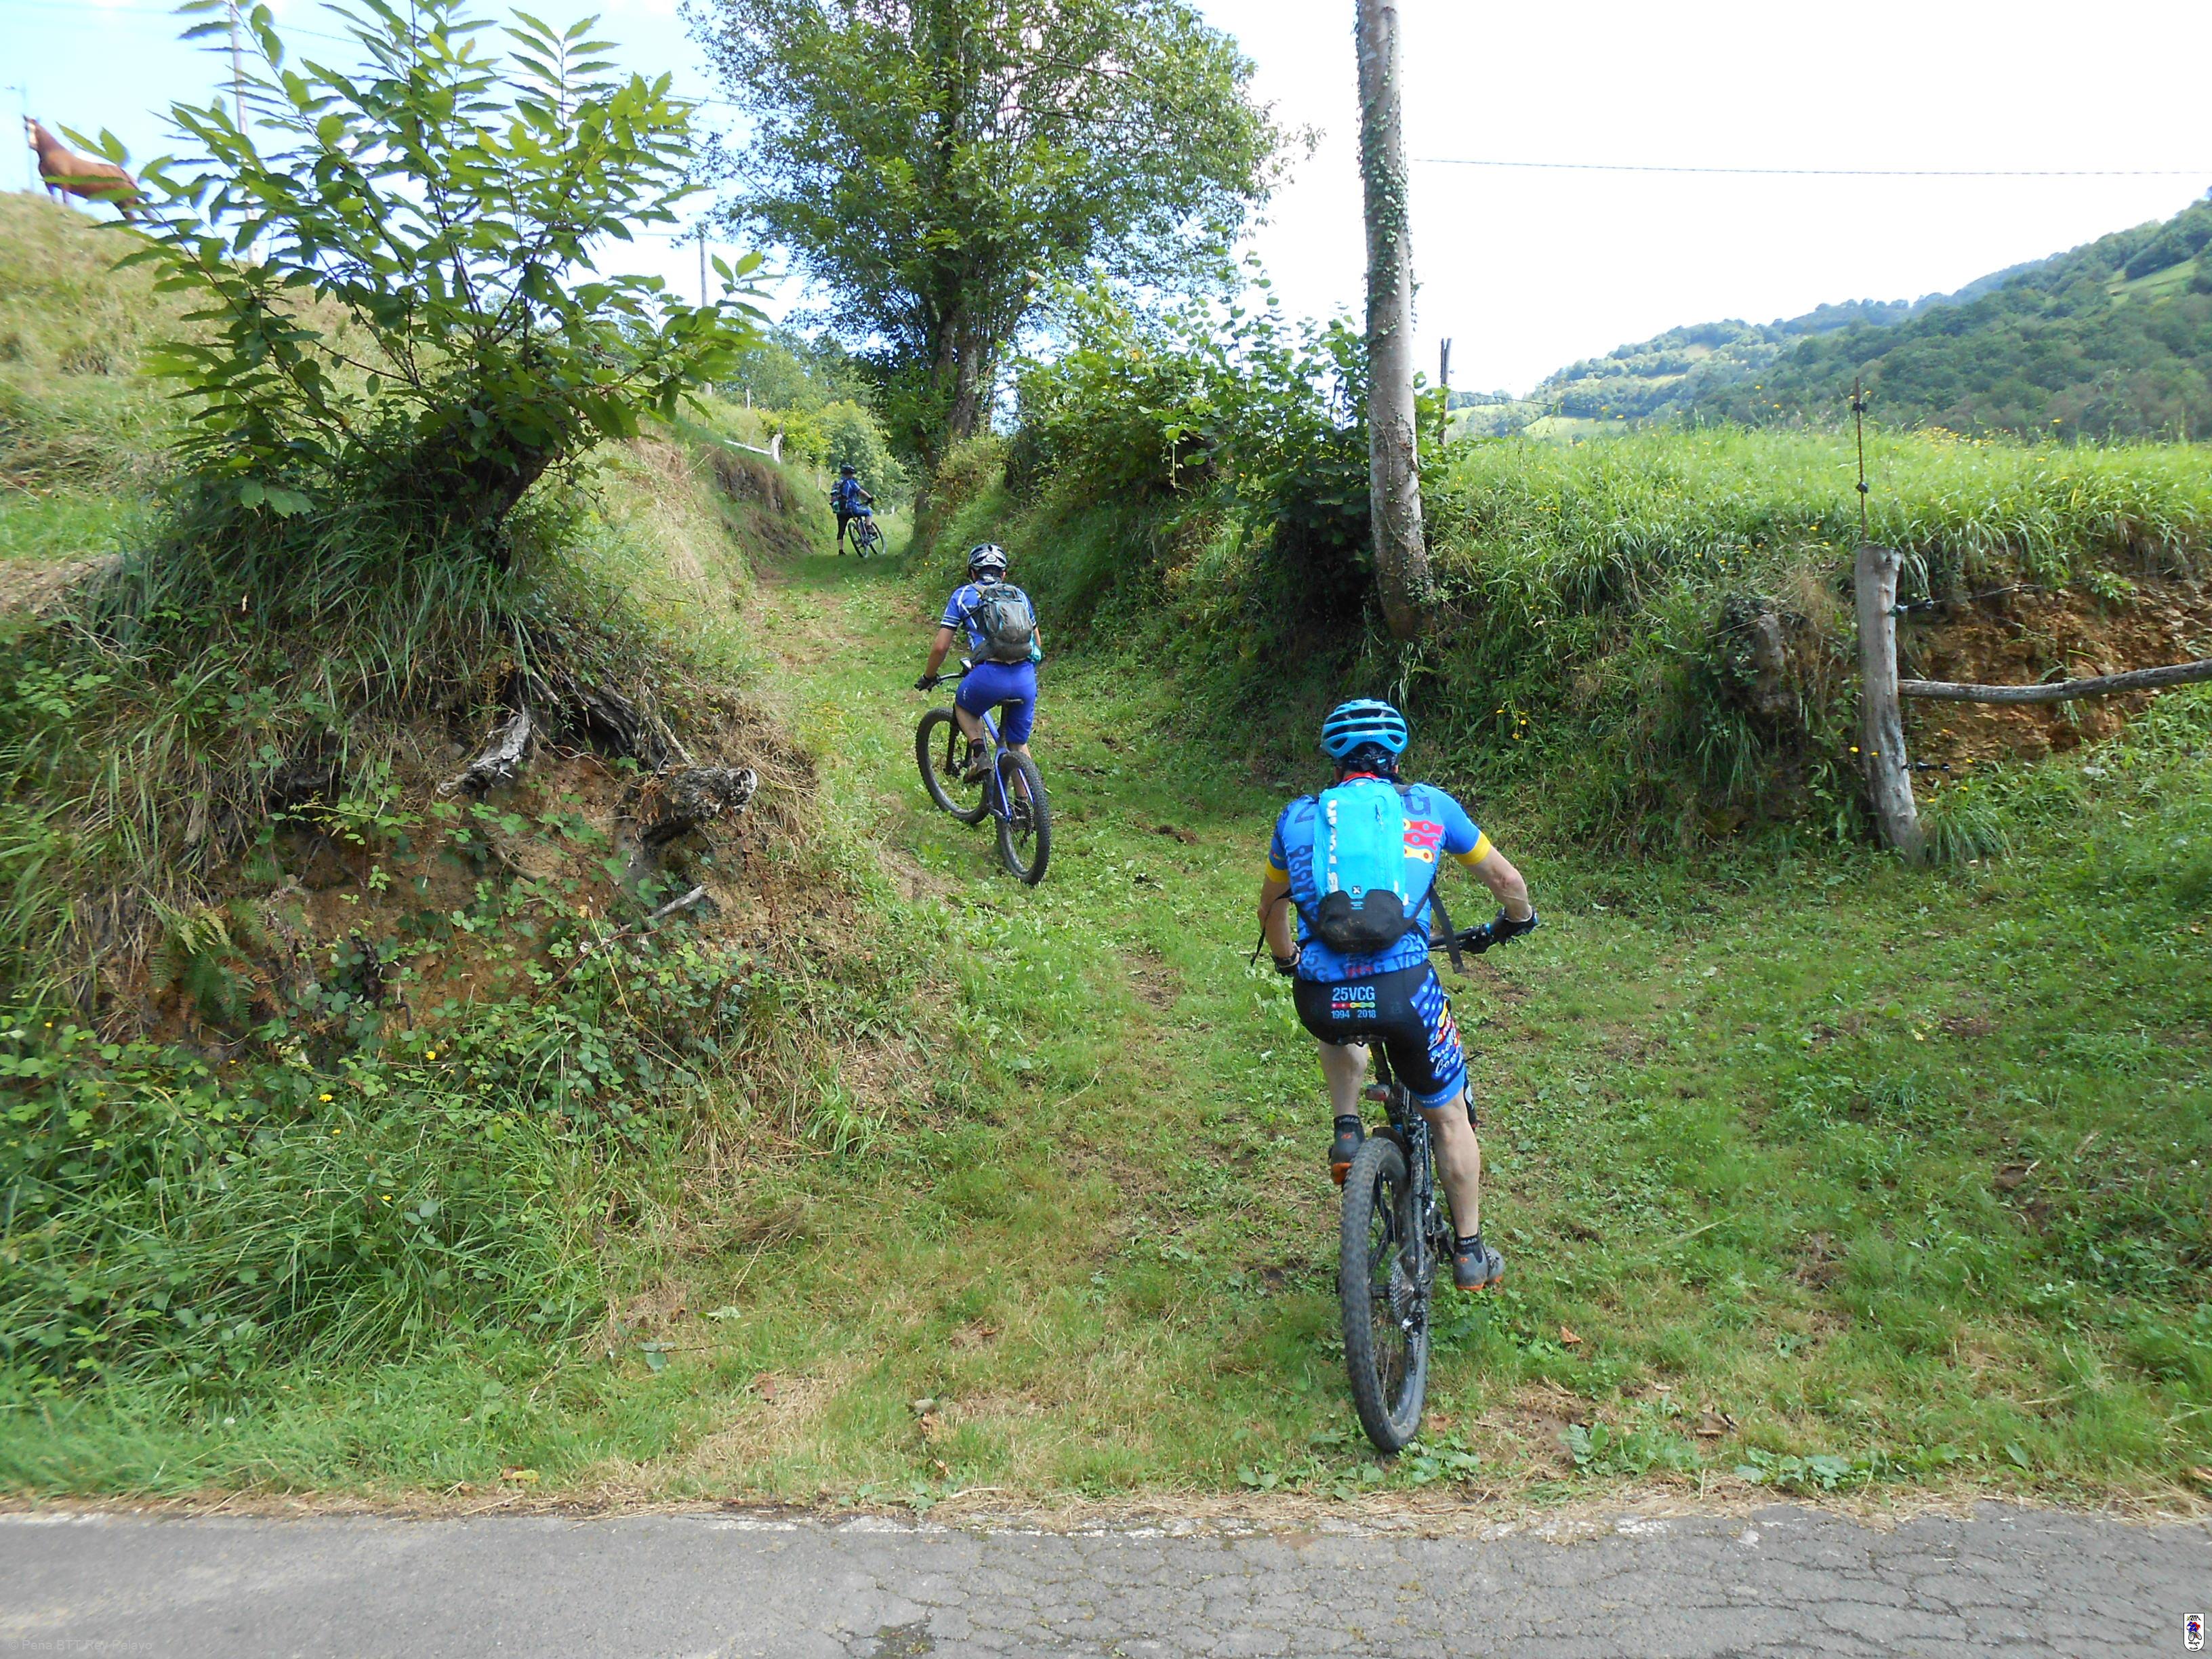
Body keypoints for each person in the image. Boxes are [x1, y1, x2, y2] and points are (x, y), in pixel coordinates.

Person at [1256, 699, 1538, 1292]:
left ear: (1334, 759)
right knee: (1449, 1116)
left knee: (1337, 1011)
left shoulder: (1297, 819)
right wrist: (1517, 917)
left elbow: (1271, 909)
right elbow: (1506, 880)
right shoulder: (1431, 807)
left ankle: (1347, 1129)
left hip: (1321, 998)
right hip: (1405, 992)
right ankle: (1469, 1253)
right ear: (1395, 757)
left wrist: (1287, 961)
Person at [915, 543, 1042, 783]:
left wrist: (929, 676)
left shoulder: (963, 595)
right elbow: (1036, 643)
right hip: (1025, 678)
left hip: (989, 677)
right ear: (1004, 574)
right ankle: (1026, 803)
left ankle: (979, 754)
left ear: (972, 572)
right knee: (1018, 744)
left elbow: (941, 647)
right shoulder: (1019, 596)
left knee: (963, 706)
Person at [832, 463, 875, 553]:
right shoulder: (851, 483)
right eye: (852, 474)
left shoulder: (836, 484)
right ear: (849, 474)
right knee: (868, 512)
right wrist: (870, 498)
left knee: (841, 530)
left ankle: (841, 550)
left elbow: (833, 496)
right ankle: (868, 528)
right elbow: (861, 492)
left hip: (840, 511)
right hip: (851, 508)